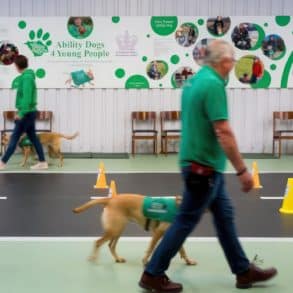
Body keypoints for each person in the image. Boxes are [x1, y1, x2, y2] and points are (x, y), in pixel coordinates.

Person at [139, 40, 277, 292]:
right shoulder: (213, 85)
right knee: (185, 221)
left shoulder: (193, 82)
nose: (233, 65)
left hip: (202, 165)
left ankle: (243, 271)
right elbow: (223, 131)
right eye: (232, 60)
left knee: (224, 217)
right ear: (223, 61)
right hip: (203, 169)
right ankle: (152, 273)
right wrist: (243, 170)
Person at [0, 55, 48, 170]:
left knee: (14, 137)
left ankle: (2, 162)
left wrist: (20, 113)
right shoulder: (27, 77)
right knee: (33, 138)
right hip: (29, 112)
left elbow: (26, 98)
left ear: (17, 66)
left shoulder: (26, 78)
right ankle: (43, 162)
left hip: (26, 113)